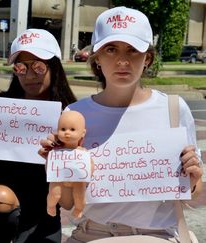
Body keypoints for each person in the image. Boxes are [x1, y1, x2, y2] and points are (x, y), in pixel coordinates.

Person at [39, 6, 203, 242]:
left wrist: (194, 178)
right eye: (111, 49)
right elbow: (67, 203)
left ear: (147, 58)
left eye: (133, 50)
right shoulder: (76, 114)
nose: (123, 60)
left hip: (155, 235)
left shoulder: (173, 109)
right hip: (90, 234)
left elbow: (190, 195)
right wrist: (57, 167)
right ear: (97, 58)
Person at [0, 29, 77, 243]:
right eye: (21, 68)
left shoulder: (69, 117)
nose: (30, 75)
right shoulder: (0, 109)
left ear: (55, 68)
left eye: (39, 67)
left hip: (44, 214)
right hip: (0, 209)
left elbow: (72, 189)